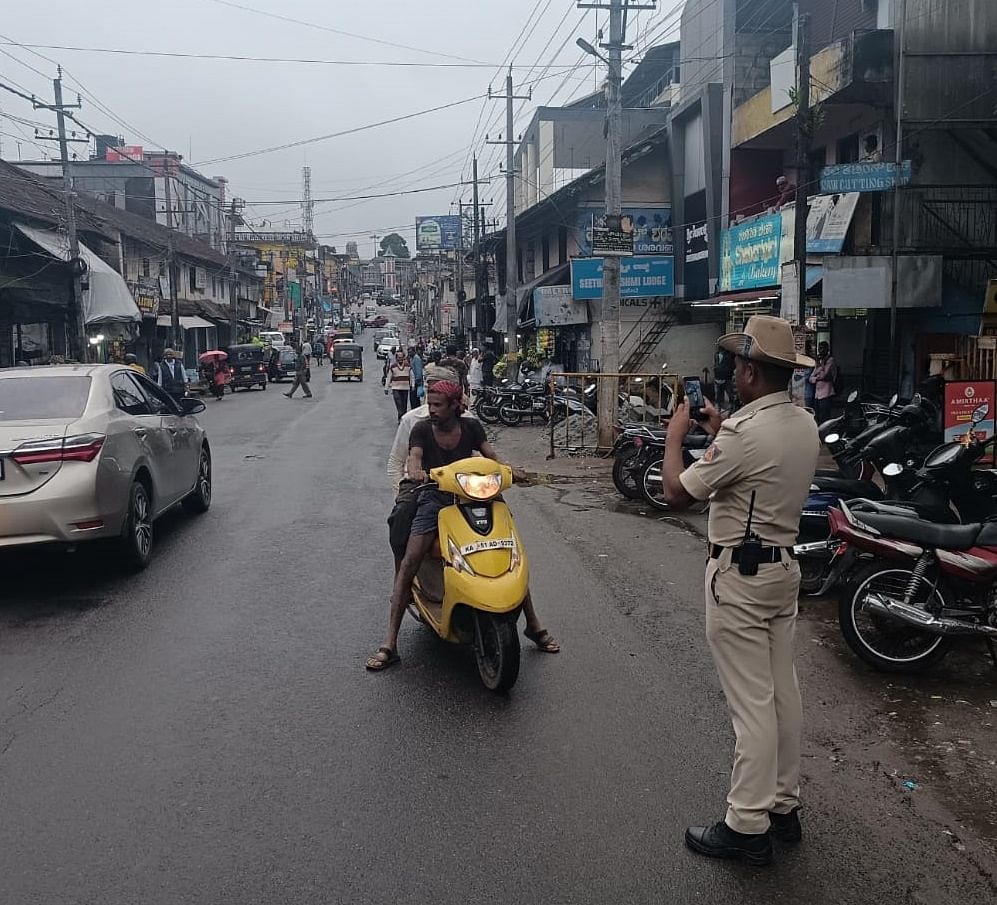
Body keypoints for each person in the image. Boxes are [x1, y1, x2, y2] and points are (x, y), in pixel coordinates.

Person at [662, 315, 819, 866]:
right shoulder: (803, 423)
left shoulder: (743, 436)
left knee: (751, 706)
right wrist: (721, 425)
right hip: (781, 573)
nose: (731, 371)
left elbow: (679, 494)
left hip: (740, 580)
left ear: (752, 371)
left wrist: (676, 437)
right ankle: (782, 805)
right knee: (782, 694)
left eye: (736, 365)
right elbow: (754, 453)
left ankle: (746, 825)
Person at [367, 379, 558, 671]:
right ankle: (390, 643)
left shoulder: (471, 427)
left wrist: (510, 471)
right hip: (433, 497)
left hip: (474, 495)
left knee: (510, 554)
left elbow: (490, 457)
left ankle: (533, 624)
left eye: (437, 405)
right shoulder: (420, 429)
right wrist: (416, 472)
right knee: (410, 560)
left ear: (456, 406)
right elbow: (414, 459)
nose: (431, 410)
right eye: (429, 404)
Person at [808, 341, 838, 424]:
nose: (820, 351)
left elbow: (823, 375)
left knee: (824, 416)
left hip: (826, 393)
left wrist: (818, 366)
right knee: (817, 415)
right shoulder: (820, 362)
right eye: (819, 348)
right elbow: (811, 378)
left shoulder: (830, 360)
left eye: (822, 348)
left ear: (827, 349)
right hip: (817, 394)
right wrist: (817, 378)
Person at [383, 349, 411, 422]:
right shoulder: (393, 366)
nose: (400, 359)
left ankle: (403, 418)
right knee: (398, 403)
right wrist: (386, 388)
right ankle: (400, 416)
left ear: (404, 358)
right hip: (396, 388)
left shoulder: (408, 366)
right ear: (396, 358)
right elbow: (389, 377)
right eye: (399, 357)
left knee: (404, 404)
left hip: (405, 388)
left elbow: (412, 376)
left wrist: (413, 385)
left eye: (402, 357)